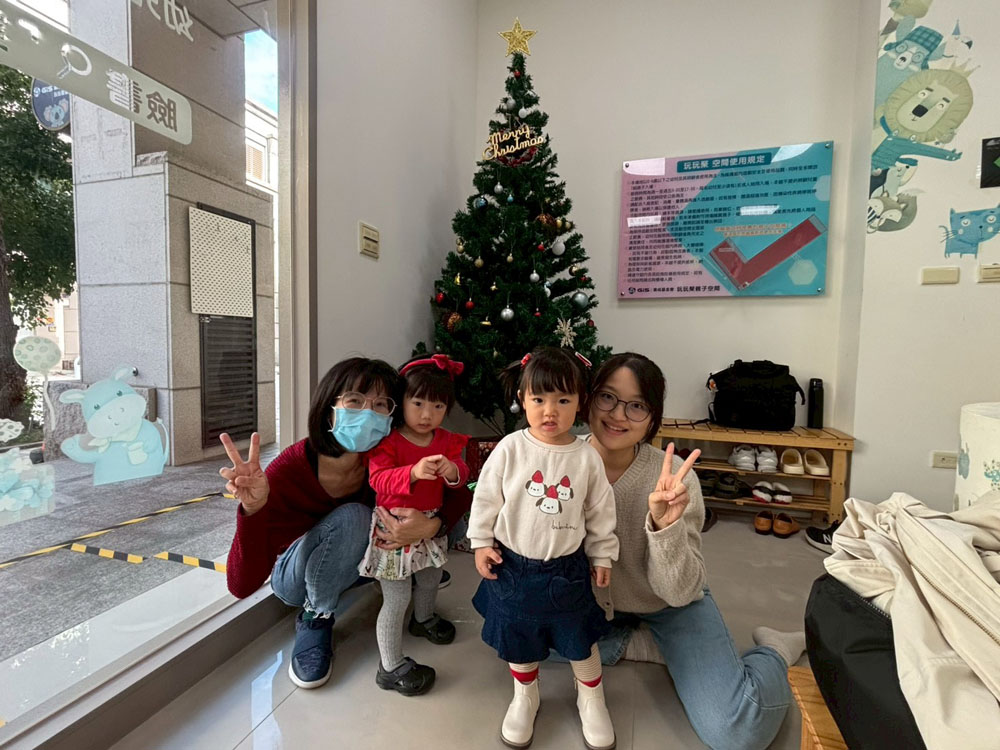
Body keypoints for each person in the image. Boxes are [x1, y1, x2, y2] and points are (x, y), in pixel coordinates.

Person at [583, 352, 805, 750]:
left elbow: (680, 591)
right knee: (516, 633)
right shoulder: (560, 463)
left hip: (670, 601)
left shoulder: (673, 480)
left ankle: (774, 649)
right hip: (594, 605)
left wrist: (664, 528)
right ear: (590, 398)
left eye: (636, 405)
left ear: (653, 417)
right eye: (607, 397)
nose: (617, 415)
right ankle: (642, 644)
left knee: (738, 731)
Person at [221, 357, 467, 690]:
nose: (368, 414)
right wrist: (253, 509)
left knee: (438, 515)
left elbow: (461, 495)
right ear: (329, 408)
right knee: (356, 517)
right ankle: (316, 616)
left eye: (380, 405)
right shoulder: (291, 467)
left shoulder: (385, 458)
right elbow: (241, 585)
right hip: (296, 579)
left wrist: (431, 527)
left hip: (353, 568)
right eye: (354, 401)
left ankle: (410, 576)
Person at [468, 347, 619, 750]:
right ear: (522, 399)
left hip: (567, 570)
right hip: (513, 568)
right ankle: (525, 694)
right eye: (539, 399)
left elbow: (600, 511)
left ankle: (591, 696)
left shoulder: (587, 457)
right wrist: (481, 543)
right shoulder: (510, 448)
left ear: (580, 403)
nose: (550, 411)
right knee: (520, 637)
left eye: (563, 400)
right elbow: (486, 499)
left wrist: (602, 553)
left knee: (580, 639)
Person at [358, 354, 469, 696]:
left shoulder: (446, 440)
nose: (426, 414)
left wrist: (453, 471)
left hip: (430, 523)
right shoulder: (388, 441)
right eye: (417, 403)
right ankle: (390, 666)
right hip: (393, 529)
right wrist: (413, 472)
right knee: (396, 597)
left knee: (431, 577)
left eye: (437, 406)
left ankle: (424, 619)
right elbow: (378, 480)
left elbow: (463, 475)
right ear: (401, 402)